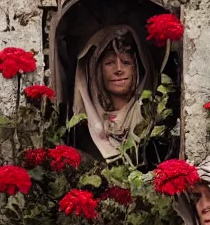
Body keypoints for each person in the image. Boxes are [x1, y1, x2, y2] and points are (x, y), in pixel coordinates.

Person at [68, 24, 179, 167]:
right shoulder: (84, 128)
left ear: (138, 68)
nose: (118, 70)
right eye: (110, 63)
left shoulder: (157, 119)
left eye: (126, 62)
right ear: (97, 71)